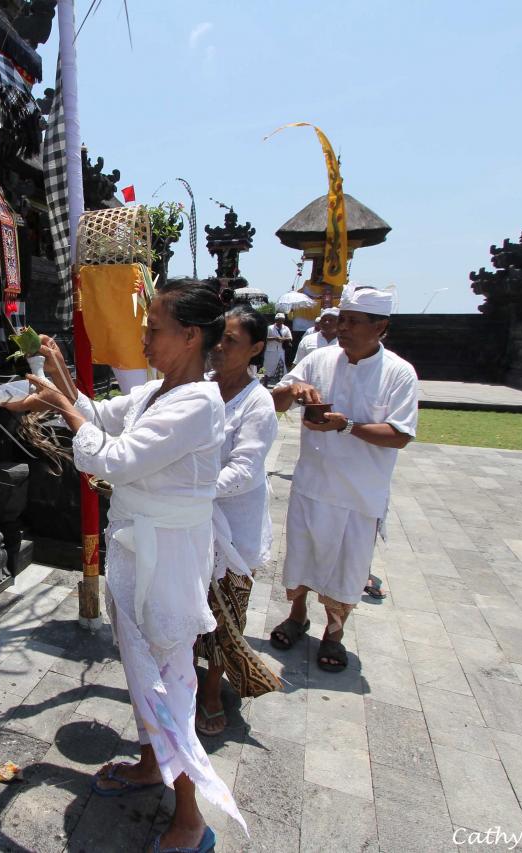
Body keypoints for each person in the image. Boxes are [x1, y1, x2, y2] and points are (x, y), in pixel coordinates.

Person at [5, 278, 243, 852]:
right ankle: (147, 763)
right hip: (139, 550)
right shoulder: (159, 393)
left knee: (172, 679)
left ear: (190, 336)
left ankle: (189, 818)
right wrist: (55, 371)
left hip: (167, 559)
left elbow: (113, 458)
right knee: (144, 670)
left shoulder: (197, 403)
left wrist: (61, 403)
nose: (143, 336)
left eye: (154, 328)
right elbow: (100, 417)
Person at [268, 286, 418, 672]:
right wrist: (291, 389)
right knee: (301, 557)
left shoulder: (399, 373)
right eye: (343, 320)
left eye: (353, 322)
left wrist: (347, 425)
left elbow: (400, 435)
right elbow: (274, 403)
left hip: (359, 494)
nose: (343, 328)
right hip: (312, 484)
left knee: (348, 567)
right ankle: (297, 616)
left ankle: (333, 633)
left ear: (380, 326)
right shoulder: (320, 359)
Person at [195, 307, 283, 737]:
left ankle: (212, 690)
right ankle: (183, 677)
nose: (218, 347)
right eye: (217, 337)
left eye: (230, 340)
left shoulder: (258, 402)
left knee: (225, 612)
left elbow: (245, 471)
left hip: (234, 528)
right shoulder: (201, 390)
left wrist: (188, 487)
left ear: (256, 348)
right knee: (187, 607)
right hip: (192, 522)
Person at [262, 312, 292, 385]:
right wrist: (274, 338)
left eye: (281, 320)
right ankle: (262, 380)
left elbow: (290, 338)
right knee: (266, 367)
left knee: (281, 366)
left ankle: (280, 384)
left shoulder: (286, 328)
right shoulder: (270, 328)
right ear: (275, 320)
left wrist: (283, 339)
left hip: (281, 351)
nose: (280, 321)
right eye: (278, 320)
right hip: (270, 351)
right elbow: (264, 338)